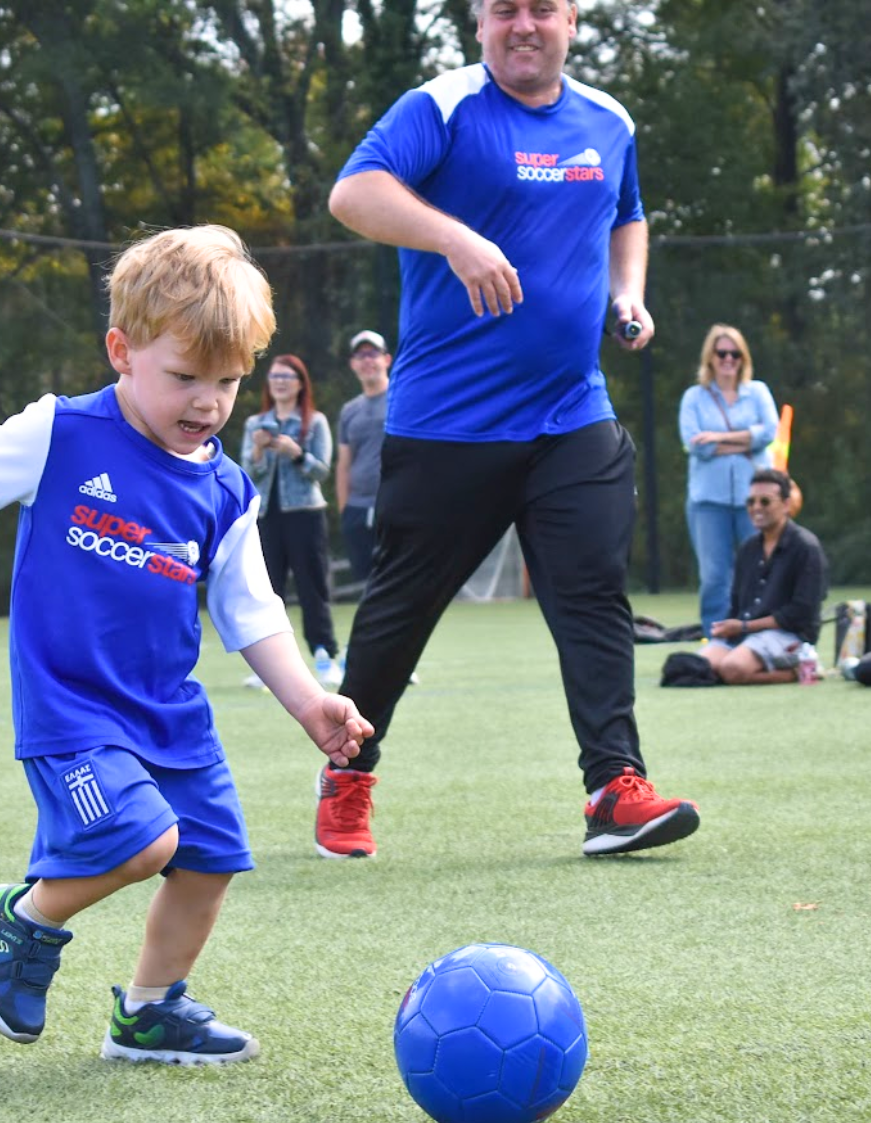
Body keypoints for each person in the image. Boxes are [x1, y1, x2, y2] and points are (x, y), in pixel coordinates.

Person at [0, 225, 373, 1065]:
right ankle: (21, 919)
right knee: (144, 841)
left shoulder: (226, 486)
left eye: (228, 381)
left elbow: (254, 612)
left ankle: (149, 1012)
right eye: (186, 377)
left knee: (209, 859)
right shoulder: (60, 433)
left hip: (171, 715)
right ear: (122, 352)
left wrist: (310, 702)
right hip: (73, 709)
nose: (208, 402)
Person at [320, 0, 701, 860]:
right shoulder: (443, 105)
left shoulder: (609, 120)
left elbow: (627, 211)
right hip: (449, 426)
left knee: (594, 593)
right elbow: (354, 191)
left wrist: (627, 293)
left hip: (573, 415)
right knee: (400, 613)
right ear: (481, 25)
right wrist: (455, 239)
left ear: (573, 22)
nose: (522, 24)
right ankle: (348, 773)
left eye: (541, 9)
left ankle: (613, 788)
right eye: (503, 10)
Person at [240, 354, 343, 688]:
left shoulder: (314, 422)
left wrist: (296, 453)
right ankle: (270, 668)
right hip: (268, 516)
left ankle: (324, 653)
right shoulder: (256, 424)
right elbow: (248, 473)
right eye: (274, 377)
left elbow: (322, 471)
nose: (280, 382)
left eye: (287, 376)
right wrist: (258, 451)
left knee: (313, 586)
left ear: (300, 383)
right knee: (269, 590)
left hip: (305, 515)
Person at [679, 324, 779, 636]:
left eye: (735, 353)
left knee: (759, 571)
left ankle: (758, 635)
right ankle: (716, 640)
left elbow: (770, 433)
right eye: (722, 352)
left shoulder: (758, 391)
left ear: (742, 357)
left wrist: (721, 437)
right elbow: (697, 444)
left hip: (756, 501)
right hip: (708, 500)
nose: (728, 359)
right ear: (710, 357)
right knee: (715, 576)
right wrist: (747, 438)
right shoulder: (694, 397)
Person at [699, 469, 827, 684]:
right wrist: (730, 628)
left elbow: (801, 613)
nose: (756, 507)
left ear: (786, 504)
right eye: (751, 502)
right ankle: (743, 663)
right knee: (700, 667)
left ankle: (800, 671)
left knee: (732, 669)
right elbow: (738, 604)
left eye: (765, 501)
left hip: (789, 635)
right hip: (746, 633)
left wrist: (744, 627)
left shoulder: (806, 547)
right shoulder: (748, 548)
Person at [336, 330, 392, 586]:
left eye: (373, 354)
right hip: (357, 509)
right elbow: (344, 464)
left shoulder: (401, 400)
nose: (367, 360)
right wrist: (345, 510)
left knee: (395, 579)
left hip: (394, 505)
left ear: (386, 360)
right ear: (353, 364)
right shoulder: (350, 410)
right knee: (366, 585)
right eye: (361, 355)